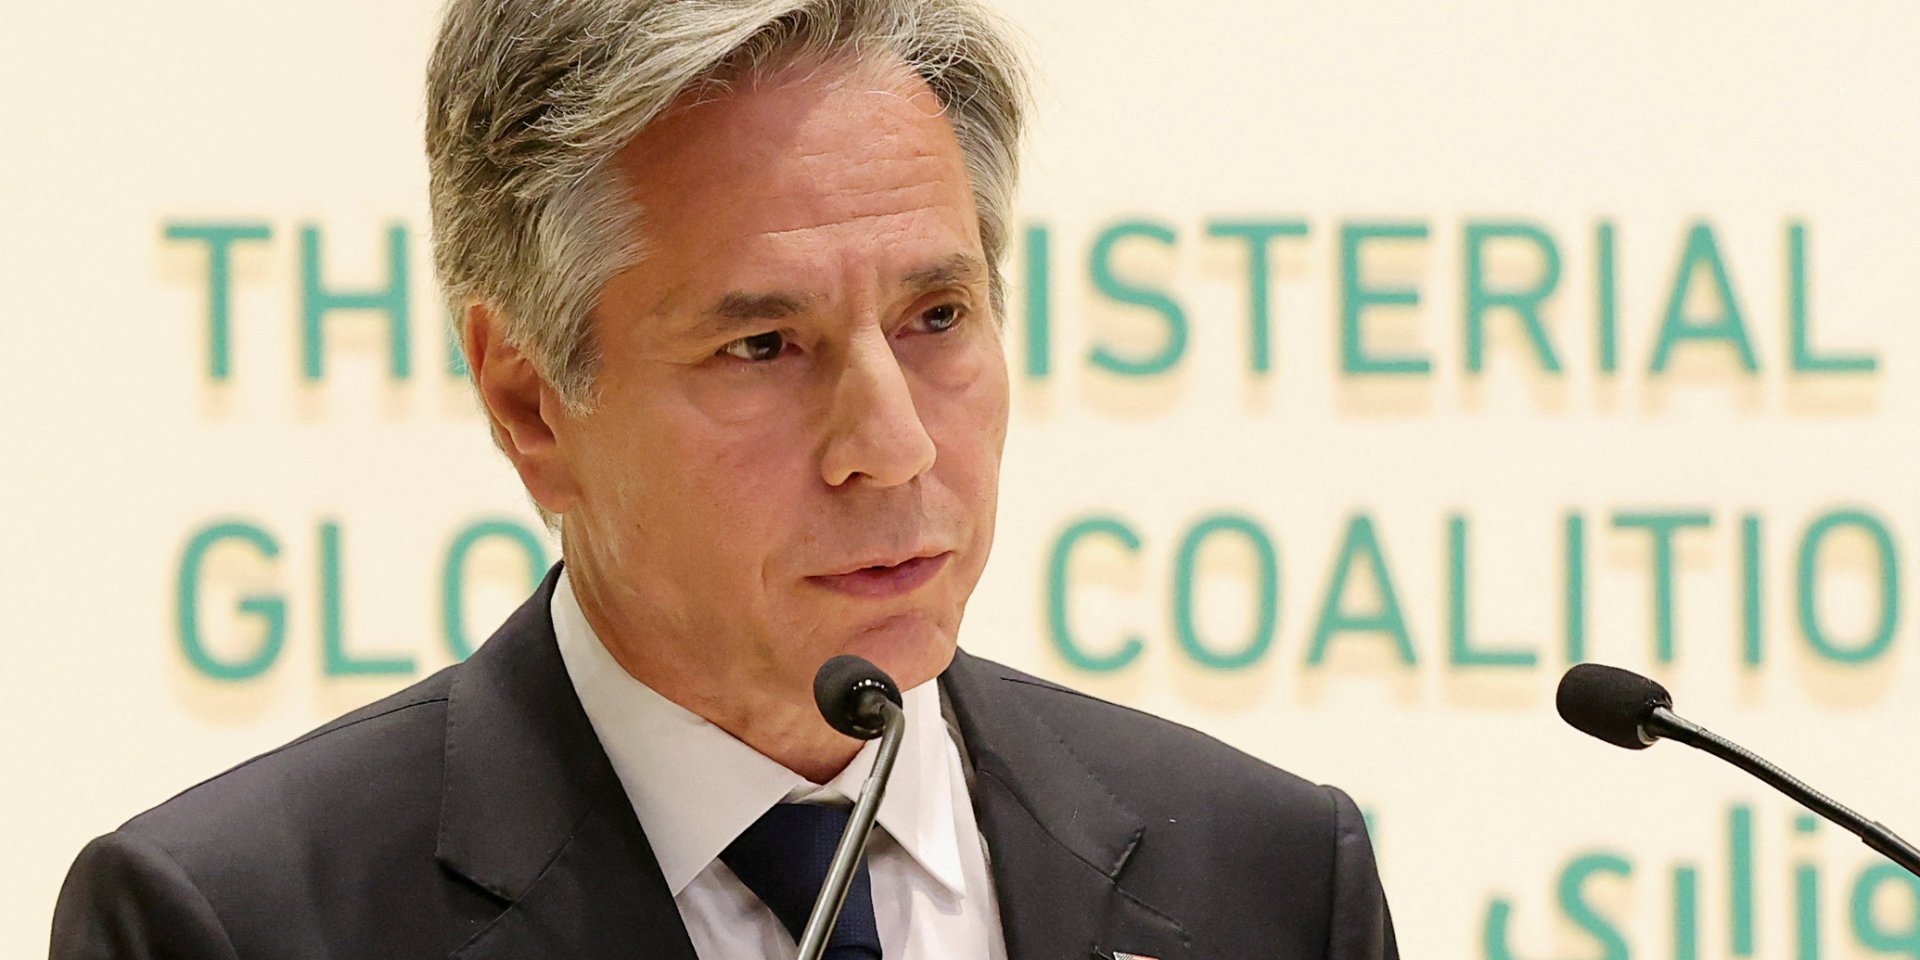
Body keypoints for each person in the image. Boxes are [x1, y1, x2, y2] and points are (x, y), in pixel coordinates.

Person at [51, 1, 1398, 957]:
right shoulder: (233, 924)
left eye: (937, 318)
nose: (893, 445)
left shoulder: (1268, 884)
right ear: (530, 401)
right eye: (764, 346)